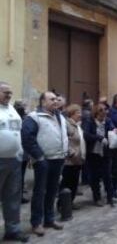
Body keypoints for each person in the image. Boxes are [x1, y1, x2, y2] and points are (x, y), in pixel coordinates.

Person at [22, 91, 68, 236]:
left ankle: (49, 218)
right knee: (40, 192)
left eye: (56, 99)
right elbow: (27, 139)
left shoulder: (59, 116)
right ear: (43, 102)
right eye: (52, 99)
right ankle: (36, 223)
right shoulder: (34, 117)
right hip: (43, 160)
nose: (55, 101)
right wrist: (39, 157)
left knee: (52, 191)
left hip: (58, 158)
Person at [0, 82, 29, 243]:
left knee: (12, 197)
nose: (9, 95)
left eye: (10, 92)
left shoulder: (11, 108)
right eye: (5, 92)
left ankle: (13, 230)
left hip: (14, 160)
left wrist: (19, 153)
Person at [82, 103, 117, 207]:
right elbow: (86, 135)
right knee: (95, 177)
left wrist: (115, 131)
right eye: (101, 110)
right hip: (93, 153)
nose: (104, 112)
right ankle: (96, 198)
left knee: (108, 175)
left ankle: (110, 197)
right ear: (96, 113)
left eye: (105, 110)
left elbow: (111, 129)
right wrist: (99, 138)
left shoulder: (108, 121)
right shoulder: (90, 122)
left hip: (105, 153)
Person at [59, 104, 86, 210]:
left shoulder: (78, 125)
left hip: (78, 159)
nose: (80, 114)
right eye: (78, 112)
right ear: (72, 113)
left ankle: (70, 202)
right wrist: (71, 152)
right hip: (70, 160)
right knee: (67, 182)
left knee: (74, 182)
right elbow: (64, 139)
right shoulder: (67, 124)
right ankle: (62, 204)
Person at [13, 100, 30, 204]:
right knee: (18, 175)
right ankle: (16, 196)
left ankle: (18, 195)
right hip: (19, 150)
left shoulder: (23, 117)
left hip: (21, 151)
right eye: (24, 106)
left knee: (19, 175)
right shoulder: (22, 118)